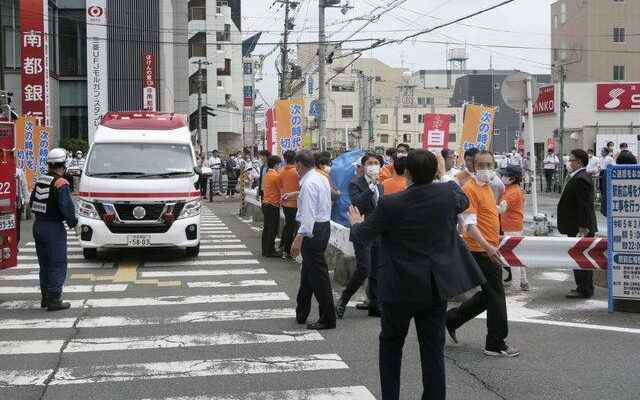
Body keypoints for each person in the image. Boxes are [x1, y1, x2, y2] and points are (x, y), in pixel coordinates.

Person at [348, 149, 485, 400]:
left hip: (398, 287)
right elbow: (462, 200)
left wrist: (356, 223)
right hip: (434, 287)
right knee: (432, 350)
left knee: (391, 347)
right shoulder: (447, 194)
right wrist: (442, 175)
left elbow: (362, 236)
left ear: (407, 172)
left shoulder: (391, 203)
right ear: (435, 172)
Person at [446, 150, 520, 357]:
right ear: (472, 166)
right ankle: (495, 343)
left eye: (489, 165)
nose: (485, 169)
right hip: (479, 249)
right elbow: (469, 224)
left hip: (488, 247)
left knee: (489, 295)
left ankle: (452, 319)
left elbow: (485, 213)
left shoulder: (488, 187)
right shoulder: (470, 189)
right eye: (481, 165)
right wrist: (488, 247)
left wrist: (499, 209)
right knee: (496, 295)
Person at [290, 151, 336, 330]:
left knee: (319, 277)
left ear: (299, 165)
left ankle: (328, 317)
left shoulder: (309, 183)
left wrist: (299, 238)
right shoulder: (320, 177)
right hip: (322, 226)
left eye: (296, 166)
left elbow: (308, 214)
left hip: (313, 230)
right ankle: (302, 312)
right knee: (308, 273)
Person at [336, 153, 384, 319]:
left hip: (378, 232)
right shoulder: (355, 183)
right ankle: (343, 298)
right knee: (364, 268)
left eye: (376, 163)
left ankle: (375, 304)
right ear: (363, 166)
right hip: (361, 231)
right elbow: (358, 204)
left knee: (377, 269)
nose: (373, 165)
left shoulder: (381, 185)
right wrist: (371, 188)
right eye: (370, 163)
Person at [30, 148, 78, 311]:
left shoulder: (41, 179)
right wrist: (73, 222)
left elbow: (31, 203)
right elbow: (66, 207)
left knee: (45, 264)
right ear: (63, 165)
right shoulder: (61, 183)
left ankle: (45, 297)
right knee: (57, 263)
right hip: (53, 227)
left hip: (38, 225)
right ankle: (54, 299)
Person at [558, 149, 598, 299]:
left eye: (571, 159)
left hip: (579, 227)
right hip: (576, 225)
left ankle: (584, 288)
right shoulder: (577, 176)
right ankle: (583, 286)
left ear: (579, 162)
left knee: (581, 257)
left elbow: (584, 205)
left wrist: (583, 227)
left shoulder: (581, 178)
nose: (569, 162)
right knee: (579, 256)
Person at [498, 165, 529, 291]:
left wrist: (487, 206)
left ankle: (516, 285)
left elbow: (501, 209)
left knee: (512, 256)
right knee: (517, 255)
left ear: (512, 178)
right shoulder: (516, 189)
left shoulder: (511, 192)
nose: (503, 177)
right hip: (516, 225)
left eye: (505, 175)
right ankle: (523, 281)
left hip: (511, 227)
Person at [279, 150, 300, 259]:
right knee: (292, 227)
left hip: (285, 202)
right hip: (295, 203)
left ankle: (283, 247)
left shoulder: (281, 171)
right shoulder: (297, 172)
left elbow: (280, 186)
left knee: (288, 226)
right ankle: (287, 250)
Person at [261, 155, 282, 257]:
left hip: (266, 203)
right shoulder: (276, 176)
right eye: (279, 164)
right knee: (272, 229)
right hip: (272, 204)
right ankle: (270, 250)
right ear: (276, 165)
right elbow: (281, 190)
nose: (280, 166)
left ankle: (265, 250)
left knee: (267, 228)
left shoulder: (267, 174)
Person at [598, 147, 615, 216]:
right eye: (601, 151)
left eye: (602, 151)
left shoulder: (610, 158)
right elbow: (599, 166)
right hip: (601, 172)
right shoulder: (601, 158)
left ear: (606, 152)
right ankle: (603, 206)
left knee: (606, 190)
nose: (601, 152)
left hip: (607, 172)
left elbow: (612, 166)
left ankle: (607, 207)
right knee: (601, 189)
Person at [15, 167, 29, 245]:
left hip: (17, 203)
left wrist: (26, 200)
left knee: (16, 225)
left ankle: (16, 243)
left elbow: (24, 186)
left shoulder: (19, 172)